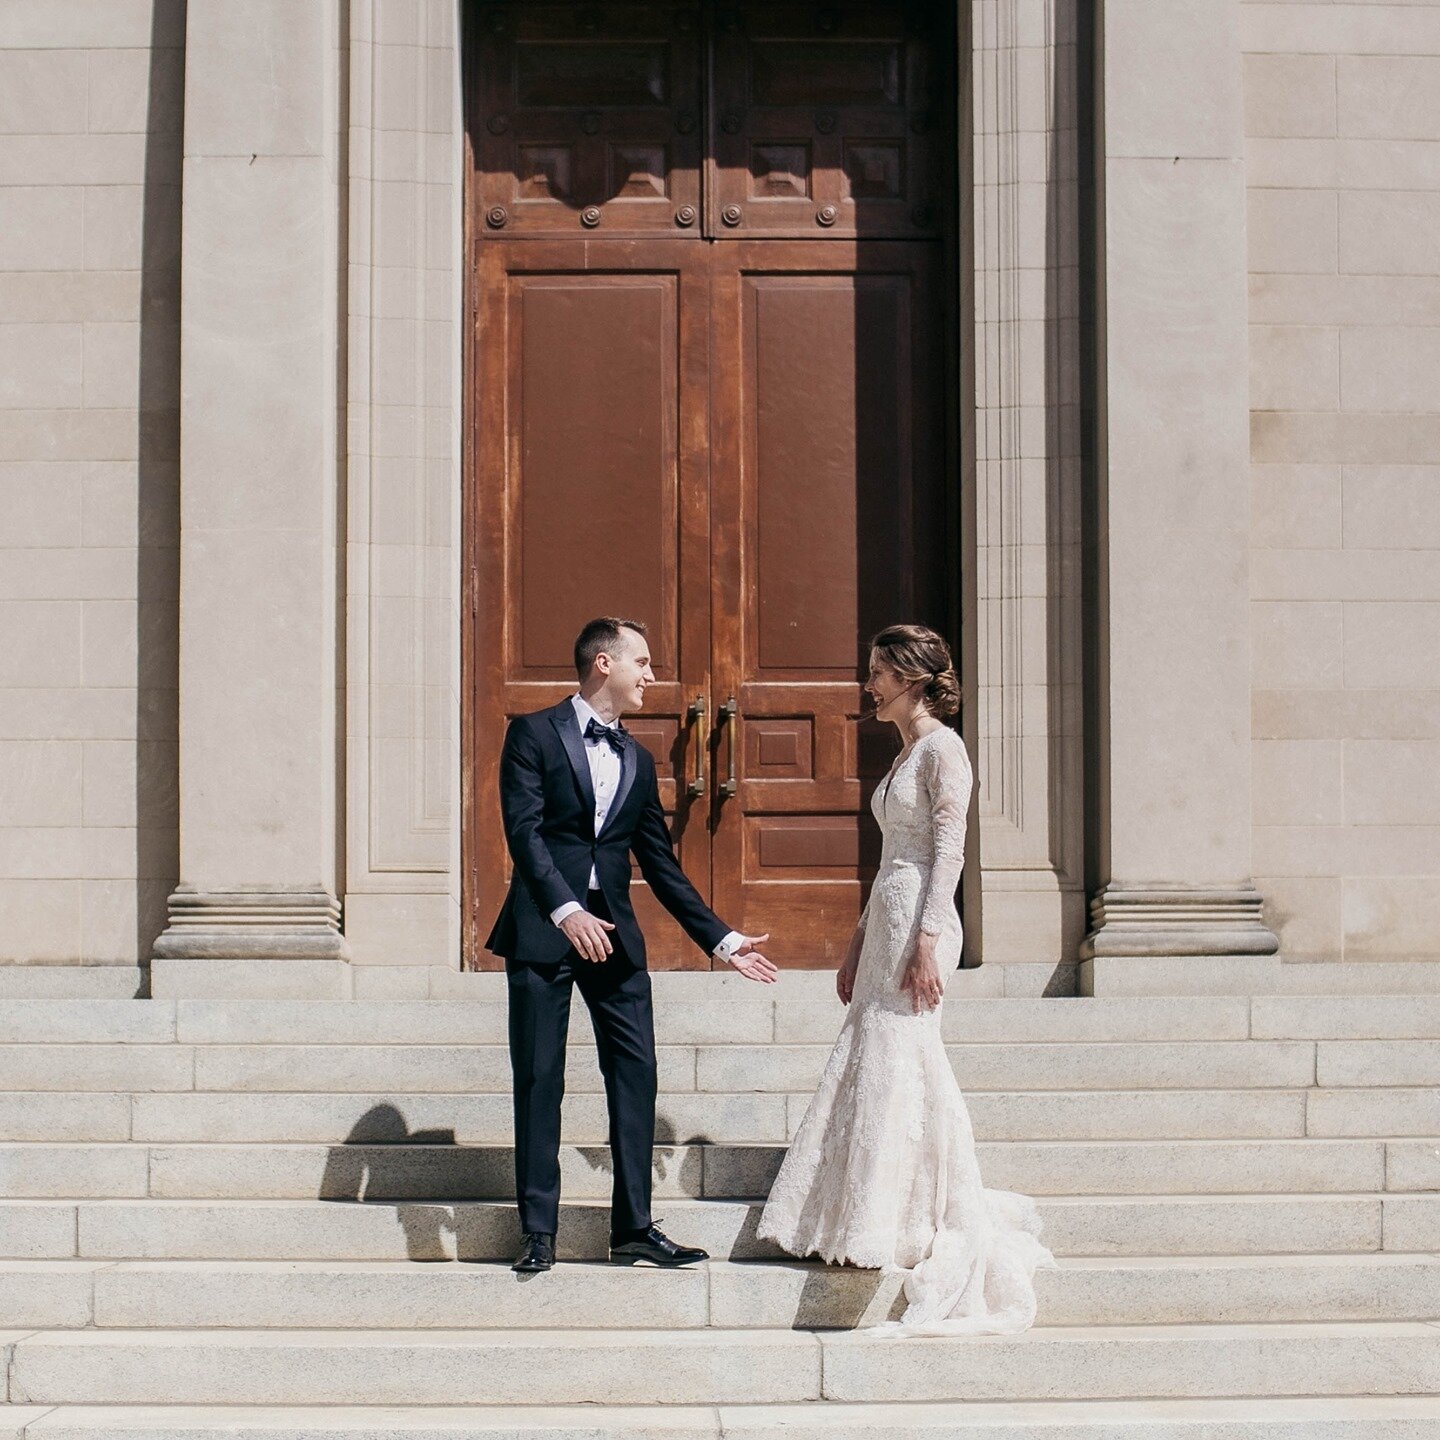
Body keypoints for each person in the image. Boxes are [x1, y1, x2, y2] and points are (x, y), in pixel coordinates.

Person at [757, 623, 1056, 1335]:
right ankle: (871, 1212)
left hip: (922, 919)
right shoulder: (905, 753)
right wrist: (858, 941)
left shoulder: (944, 749)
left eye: (878, 674)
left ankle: (903, 1217)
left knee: (903, 1056)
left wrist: (926, 939)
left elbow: (948, 848)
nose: (869, 685)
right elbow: (893, 855)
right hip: (889, 916)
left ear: (911, 678)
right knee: (877, 1055)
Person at [487, 616, 777, 1274]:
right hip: (543, 926)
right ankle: (538, 1231)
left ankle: (634, 1227)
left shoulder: (639, 761)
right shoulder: (532, 734)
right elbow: (524, 834)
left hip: (616, 934)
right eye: (641, 662)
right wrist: (566, 911)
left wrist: (724, 940)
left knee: (636, 1073)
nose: (651, 676)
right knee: (539, 1080)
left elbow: (662, 866)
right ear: (602, 664)